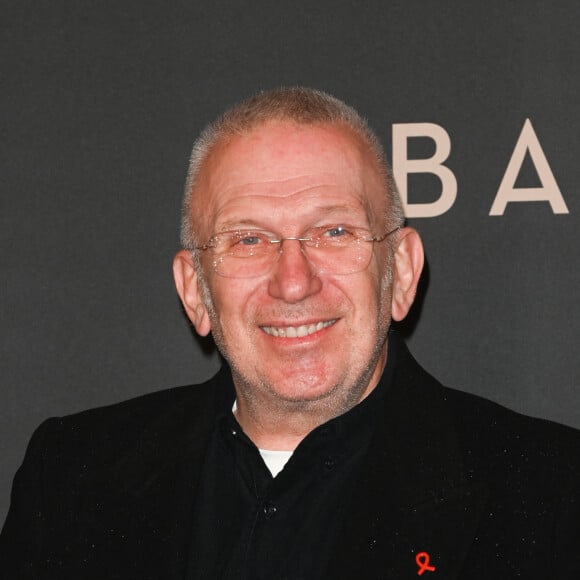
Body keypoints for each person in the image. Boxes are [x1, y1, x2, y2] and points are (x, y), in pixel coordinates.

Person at [1, 87, 579, 579]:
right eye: (248, 240)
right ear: (195, 290)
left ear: (400, 273)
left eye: (333, 231)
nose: (294, 282)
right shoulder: (71, 482)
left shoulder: (548, 499)